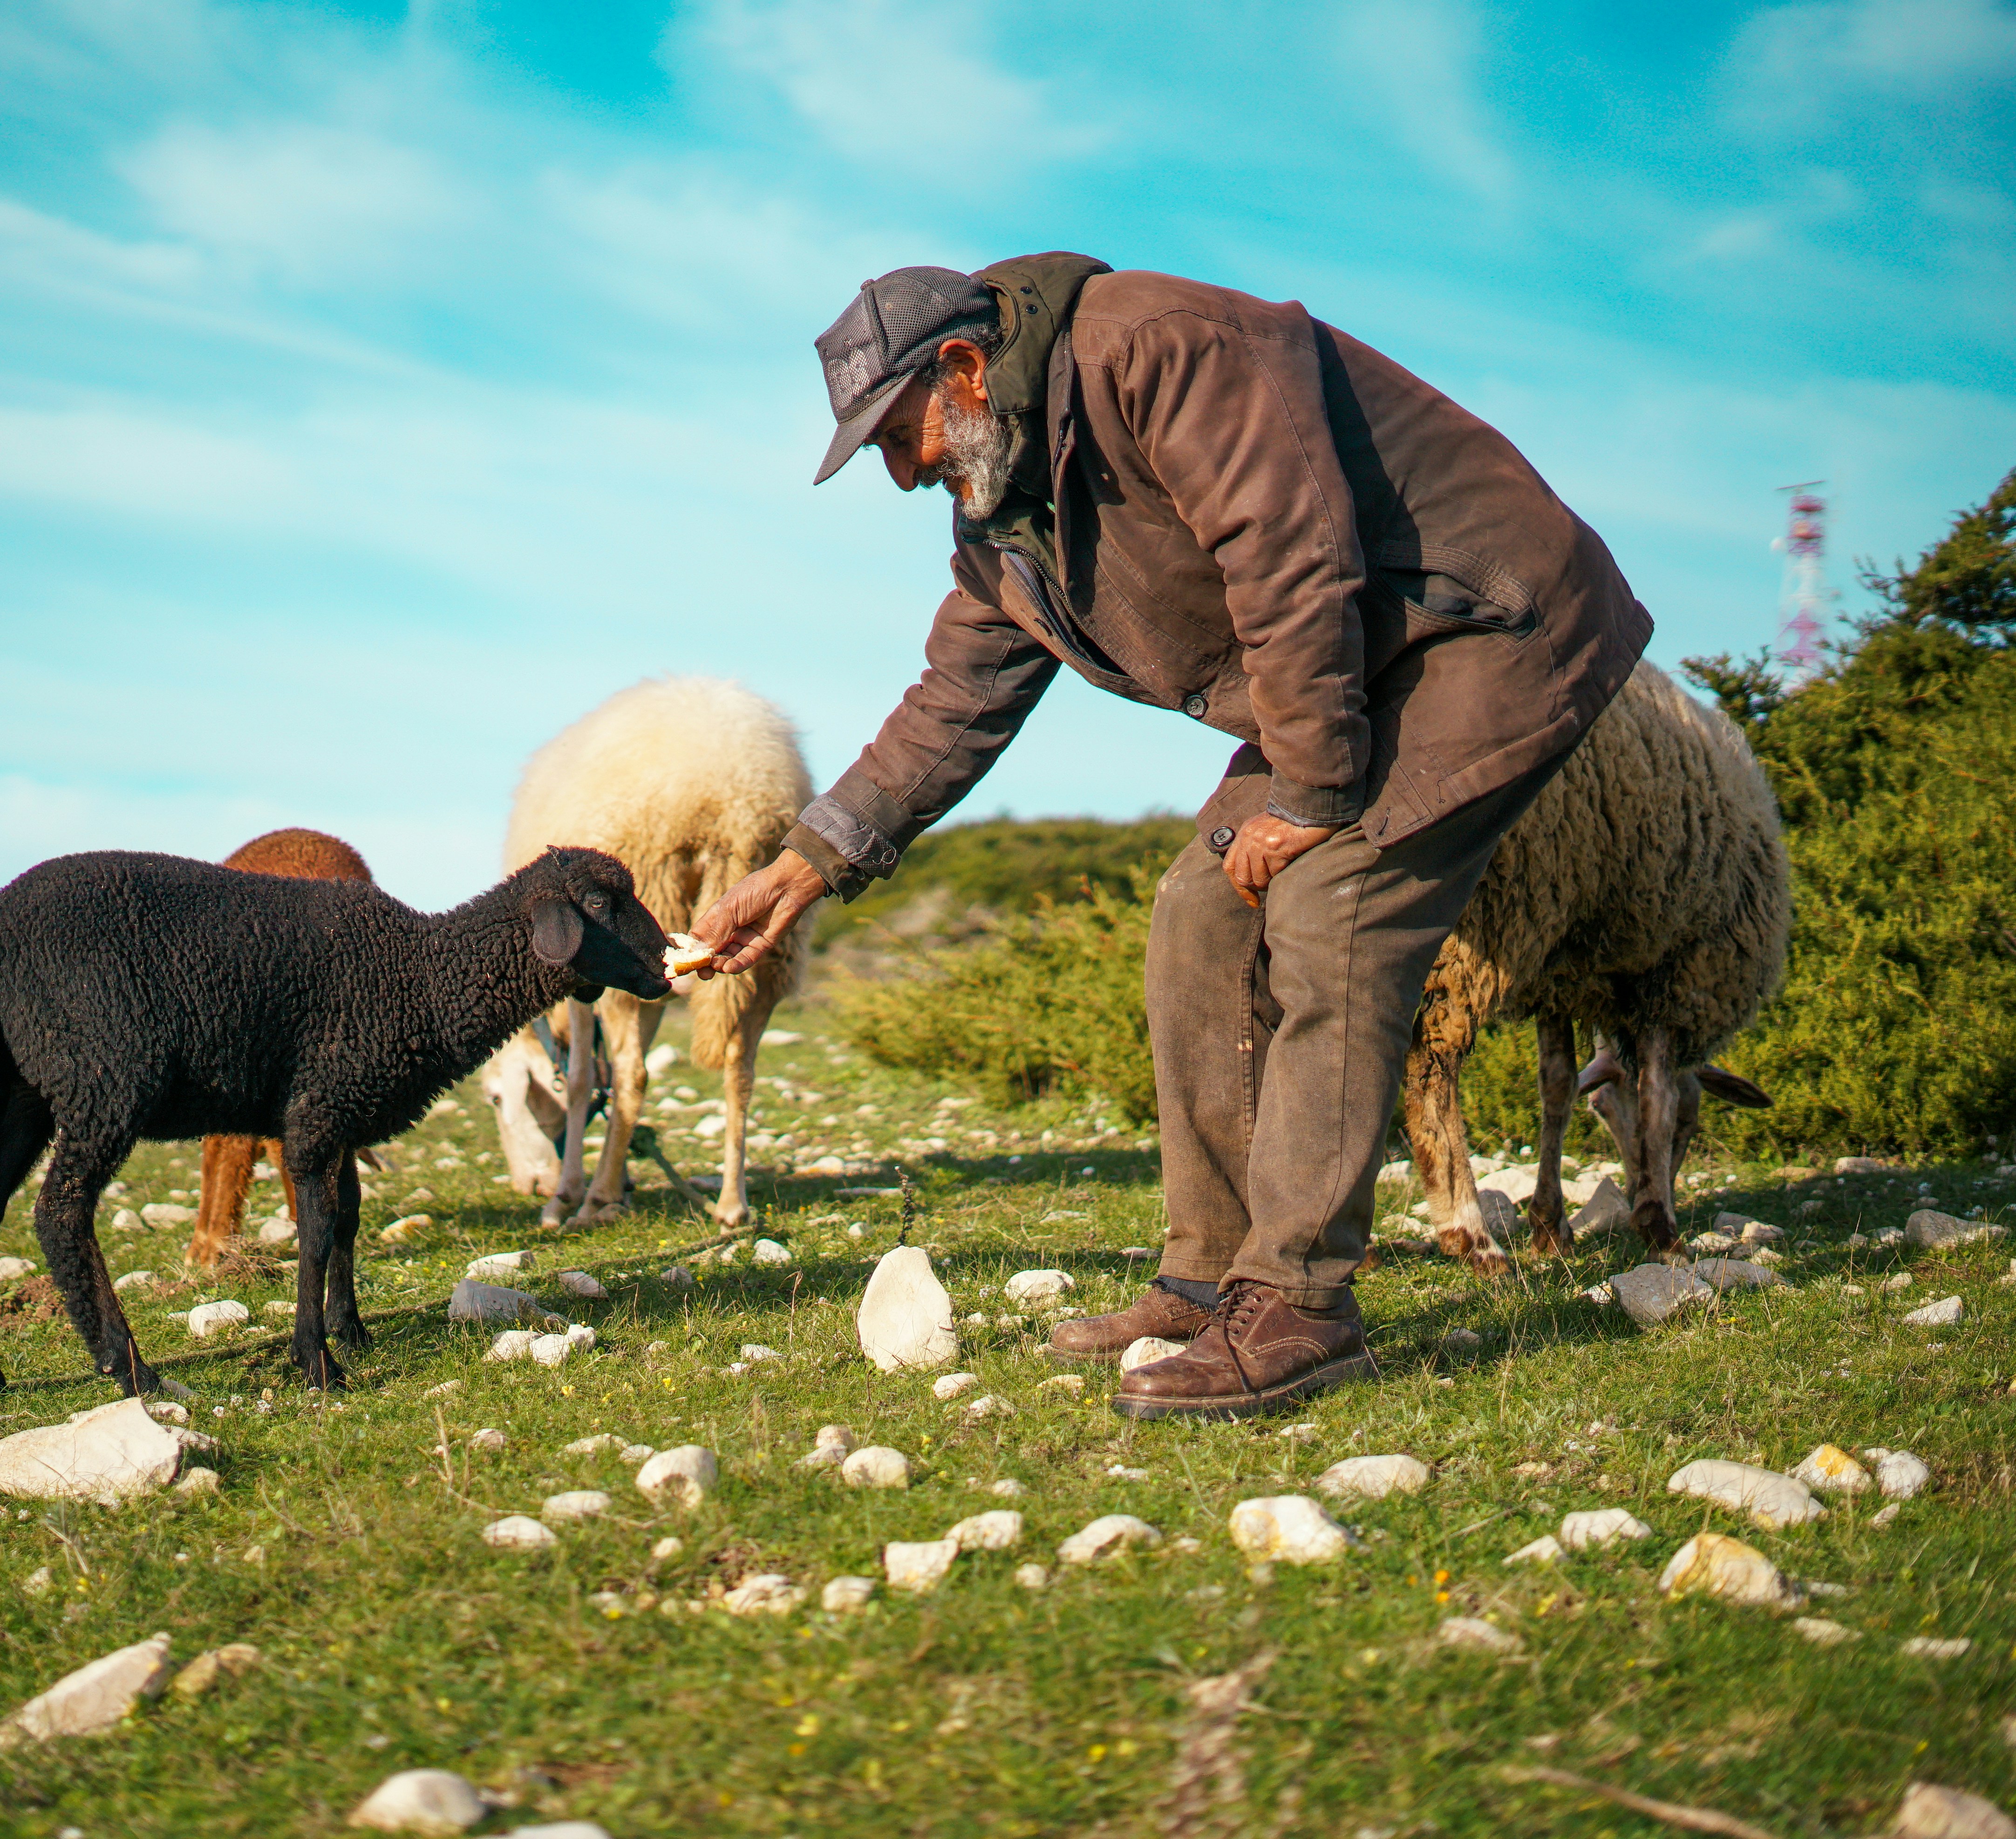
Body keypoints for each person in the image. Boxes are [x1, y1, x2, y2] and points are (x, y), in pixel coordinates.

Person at [689, 254, 1651, 1421]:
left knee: (1331, 903)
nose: (903, 478)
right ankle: (1208, 1280)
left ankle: (1299, 1306)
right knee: (1199, 914)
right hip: (1356, 663)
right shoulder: (1008, 522)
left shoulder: (1158, 347)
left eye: (901, 439)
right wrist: (802, 865)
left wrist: (1307, 798)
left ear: (963, 371)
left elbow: (1289, 554)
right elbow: (953, 703)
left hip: (1478, 621)